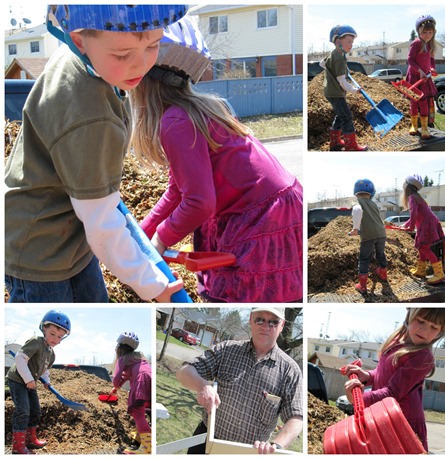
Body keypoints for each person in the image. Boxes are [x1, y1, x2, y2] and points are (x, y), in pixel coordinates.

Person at [4, 4, 188, 303]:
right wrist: (153, 286)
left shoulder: (83, 53)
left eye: (153, 45)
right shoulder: (90, 116)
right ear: (79, 40)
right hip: (39, 249)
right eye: (122, 55)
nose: (140, 65)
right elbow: (102, 223)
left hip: (70, 229)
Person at [130, 17, 303, 303]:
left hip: (261, 220)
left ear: (141, 83)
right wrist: (140, 235)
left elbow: (199, 202)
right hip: (280, 209)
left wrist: (159, 241)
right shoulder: (204, 108)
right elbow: (179, 191)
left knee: (235, 296)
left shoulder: (175, 121)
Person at [175, 307, 303, 454]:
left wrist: (277, 445)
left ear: (282, 325)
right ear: (250, 319)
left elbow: (296, 417)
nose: (265, 326)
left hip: (250, 452)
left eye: (273, 322)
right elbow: (184, 371)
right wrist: (202, 386)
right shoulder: (226, 350)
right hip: (207, 443)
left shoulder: (290, 371)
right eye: (260, 320)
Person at [342, 307, 445, 452]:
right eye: (420, 321)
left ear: (441, 332)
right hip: (383, 415)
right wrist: (367, 376)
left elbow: (392, 392)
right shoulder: (396, 340)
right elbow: (383, 372)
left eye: (434, 327)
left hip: (402, 423)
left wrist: (360, 399)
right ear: (409, 316)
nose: (424, 330)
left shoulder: (422, 356)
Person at [7, 310, 71, 454]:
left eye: (60, 336)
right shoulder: (36, 342)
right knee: (23, 410)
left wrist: (46, 381)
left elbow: (44, 370)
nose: (55, 338)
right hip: (18, 379)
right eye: (52, 334)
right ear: (44, 329)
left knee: (35, 410)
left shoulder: (51, 354)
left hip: (31, 382)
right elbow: (20, 358)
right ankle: (18, 447)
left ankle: (30, 439)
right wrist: (29, 379)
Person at [321, 25, 367, 151]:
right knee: (347, 117)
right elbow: (342, 81)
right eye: (348, 41)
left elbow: (322, 63)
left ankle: (335, 142)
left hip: (330, 91)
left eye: (352, 42)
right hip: (336, 92)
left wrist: (330, 70)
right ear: (337, 41)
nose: (351, 45)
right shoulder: (339, 58)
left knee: (340, 115)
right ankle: (350, 145)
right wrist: (354, 90)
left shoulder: (334, 54)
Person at [400, 174, 445, 284]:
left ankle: (439, 274)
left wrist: (410, 227)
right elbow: (416, 215)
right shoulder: (418, 197)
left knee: (424, 248)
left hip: (426, 225)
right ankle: (421, 271)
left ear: (407, 186)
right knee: (422, 248)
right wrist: (405, 225)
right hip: (428, 223)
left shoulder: (411, 198)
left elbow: (414, 213)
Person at [112, 332, 152, 455]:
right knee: (144, 409)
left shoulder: (122, 359)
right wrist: (116, 390)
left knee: (137, 412)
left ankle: (147, 448)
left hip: (140, 382)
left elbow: (116, 379)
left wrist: (116, 386)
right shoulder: (138, 358)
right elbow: (127, 375)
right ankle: (143, 436)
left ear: (119, 348)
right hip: (150, 380)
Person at [348, 179, 387, 294]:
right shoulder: (374, 204)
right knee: (380, 254)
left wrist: (355, 229)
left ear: (356, 192)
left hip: (368, 236)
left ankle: (363, 285)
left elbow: (357, 210)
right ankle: (383, 274)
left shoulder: (358, 203)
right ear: (371, 192)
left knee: (364, 259)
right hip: (381, 233)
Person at [406, 15, 438, 139]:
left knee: (424, 103)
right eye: (424, 32)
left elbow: (431, 60)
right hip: (415, 77)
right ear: (419, 31)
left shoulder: (430, 45)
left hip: (425, 79)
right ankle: (414, 125)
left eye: (430, 32)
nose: (427, 35)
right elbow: (410, 60)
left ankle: (424, 128)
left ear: (433, 32)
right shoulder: (417, 43)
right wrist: (419, 70)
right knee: (414, 102)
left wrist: (432, 68)